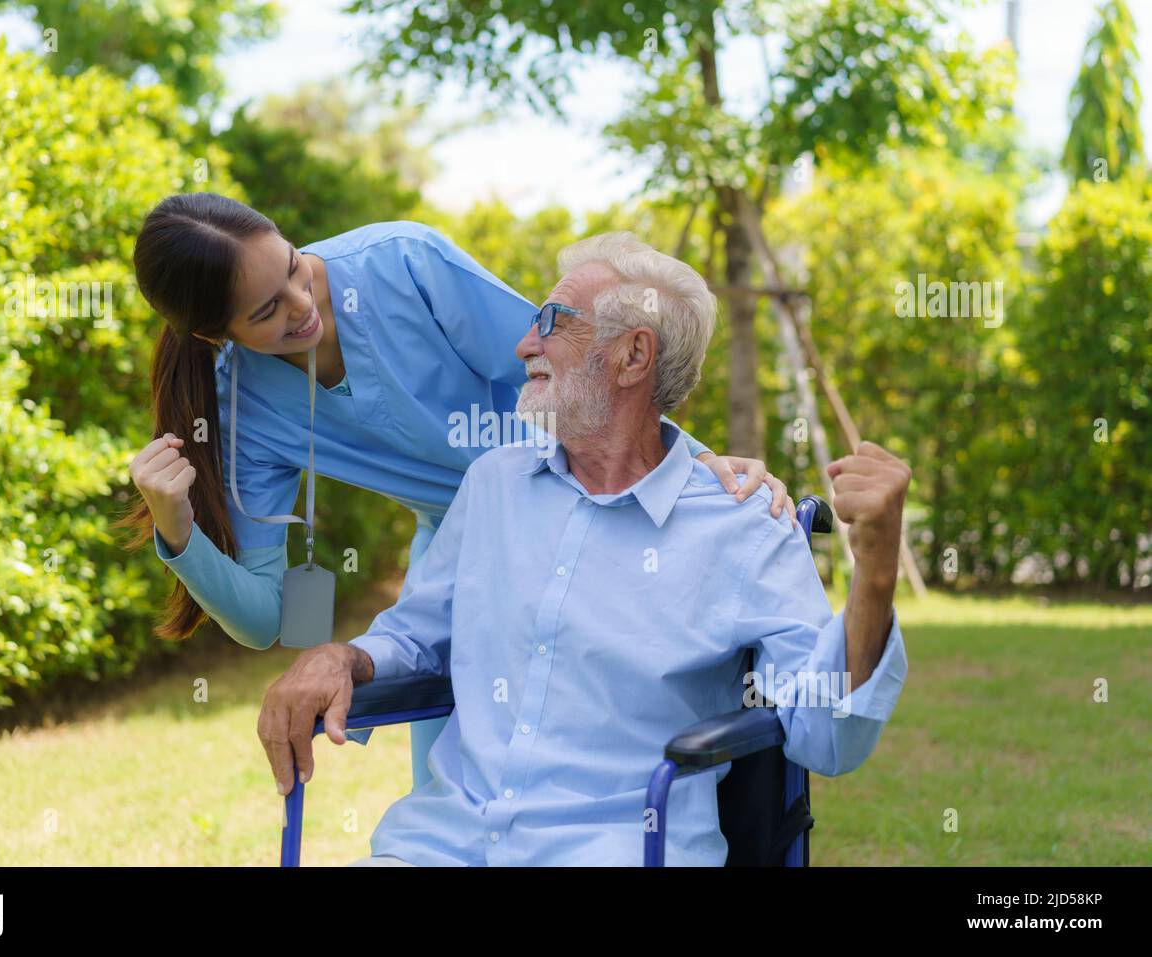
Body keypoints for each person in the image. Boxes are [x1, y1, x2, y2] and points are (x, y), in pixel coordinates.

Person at [257, 232, 911, 866]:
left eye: (553, 321)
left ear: (633, 355)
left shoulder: (743, 524)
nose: (522, 343)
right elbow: (414, 636)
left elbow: (827, 735)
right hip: (443, 843)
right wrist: (342, 655)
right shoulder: (493, 484)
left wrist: (876, 571)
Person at [117, 193, 792, 789]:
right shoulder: (244, 410)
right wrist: (178, 530)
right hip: (458, 558)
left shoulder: (403, 264)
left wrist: (695, 459)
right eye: (267, 310)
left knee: (602, 751)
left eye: (295, 267)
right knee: (456, 788)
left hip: (583, 499)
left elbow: (573, 361)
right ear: (216, 335)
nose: (303, 305)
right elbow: (266, 616)